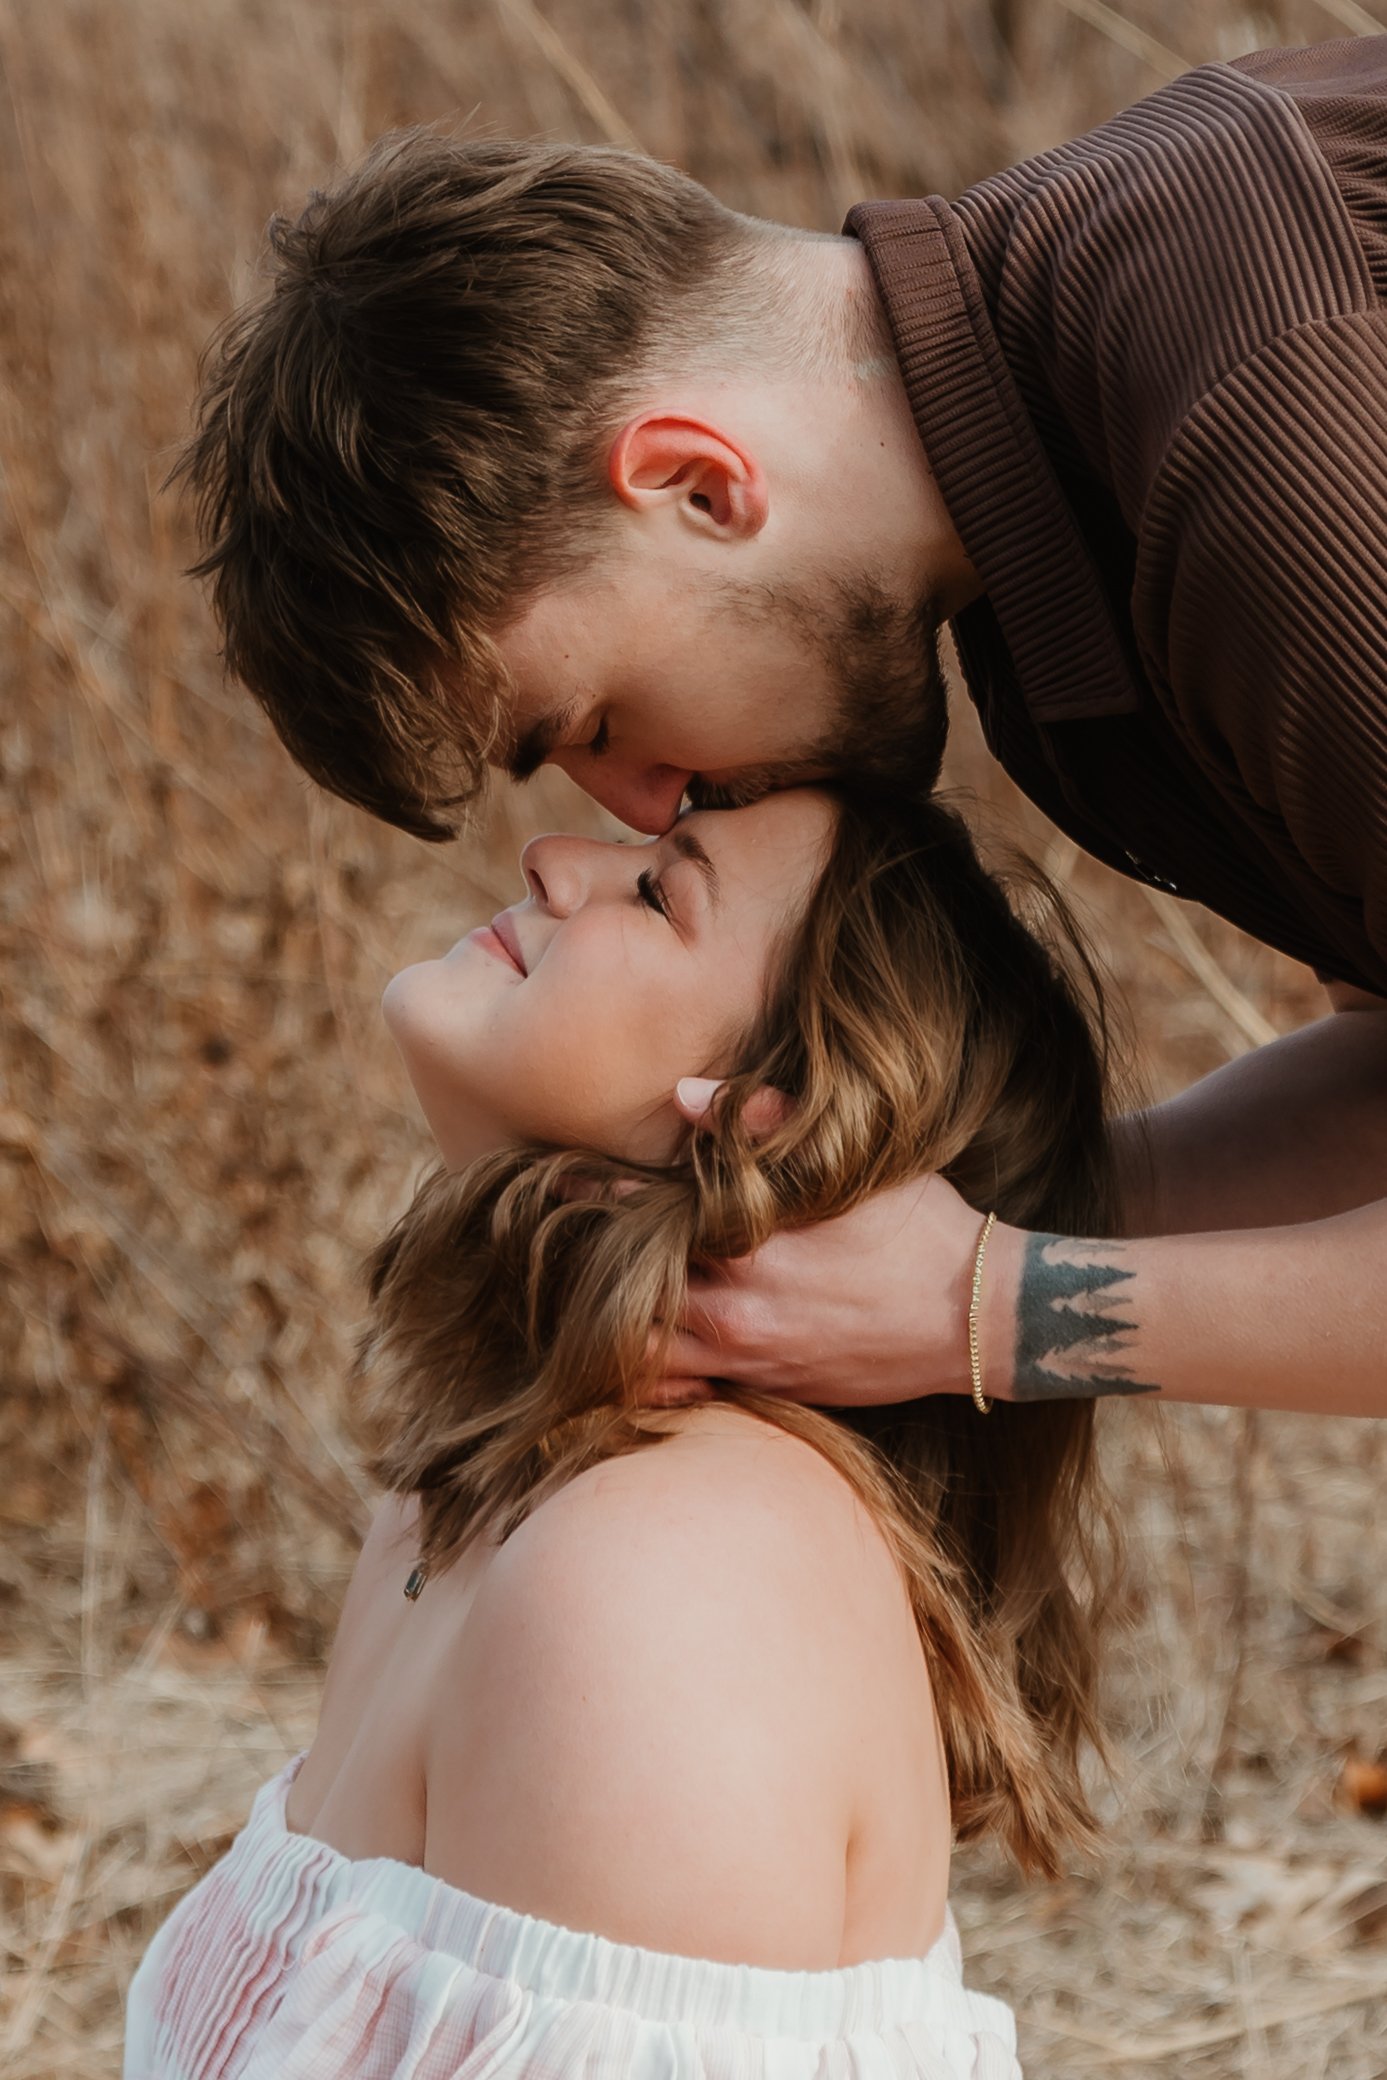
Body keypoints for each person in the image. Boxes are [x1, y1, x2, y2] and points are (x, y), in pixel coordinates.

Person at [175, 36, 1387, 1420]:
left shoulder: (1263, 439)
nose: (642, 807)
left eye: (595, 720)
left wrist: (981, 1309)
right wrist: (924, 1225)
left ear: (696, 484)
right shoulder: (1046, 547)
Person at [124, 787, 1120, 2077]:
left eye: (660, 891)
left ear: (775, 1128)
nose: (550, 858)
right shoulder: (477, 1496)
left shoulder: (670, 1579)